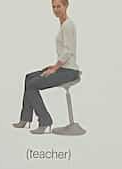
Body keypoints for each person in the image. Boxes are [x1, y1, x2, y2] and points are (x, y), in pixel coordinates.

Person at [12, 0, 79, 134]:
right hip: (63, 67)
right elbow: (65, 52)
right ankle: (25, 119)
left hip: (70, 71)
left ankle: (45, 121)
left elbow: (68, 51)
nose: (56, 9)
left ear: (66, 6)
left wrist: (55, 68)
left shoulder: (68, 25)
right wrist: (55, 65)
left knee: (32, 84)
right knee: (29, 77)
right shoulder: (62, 24)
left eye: (59, 6)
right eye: (53, 7)